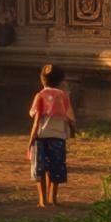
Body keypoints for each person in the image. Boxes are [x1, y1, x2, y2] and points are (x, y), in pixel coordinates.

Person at [27, 64, 76, 206]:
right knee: (56, 168)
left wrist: (30, 141)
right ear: (61, 82)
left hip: (41, 137)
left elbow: (36, 120)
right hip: (58, 137)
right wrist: (73, 131)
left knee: (40, 169)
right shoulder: (63, 96)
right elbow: (71, 118)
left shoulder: (40, 96)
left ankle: (42, 200)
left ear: (42, 80)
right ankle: (53, 199)